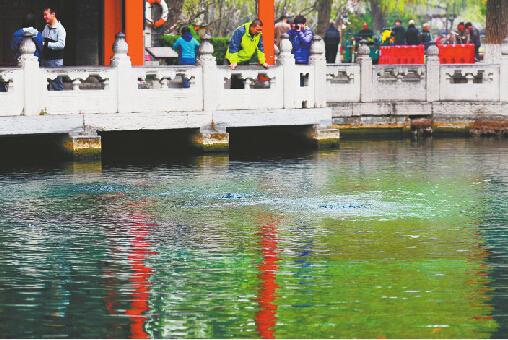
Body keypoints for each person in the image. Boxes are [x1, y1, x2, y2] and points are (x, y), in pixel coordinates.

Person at [41, 7, 66, 91]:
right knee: (44, 85)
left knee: (57, 85)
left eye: (46, 14)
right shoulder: (46, 27)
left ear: (53, 14)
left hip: (56, 61)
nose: (44, 17)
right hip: (45, 59)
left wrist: (46, 44)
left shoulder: (60, 29)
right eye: (43, 15)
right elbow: (42, 39)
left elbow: (62, 44)